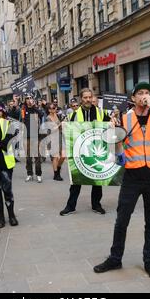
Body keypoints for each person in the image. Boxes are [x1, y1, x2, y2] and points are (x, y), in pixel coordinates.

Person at [93, 82, 150, 280]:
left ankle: (149, 261)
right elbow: (118, 150)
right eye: (140, 93)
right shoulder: (124, 118)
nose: (144, 96)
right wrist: (116, 135)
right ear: (133, 97)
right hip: (132, 176)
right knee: (122, 219)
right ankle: (115, 258)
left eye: (147, 93)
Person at [59, 88, 109, 216]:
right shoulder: (73, 115)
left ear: (92, 98)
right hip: (79, 151)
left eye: (89, 97)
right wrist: (62, 126)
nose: (87, 100)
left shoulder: (101, 113)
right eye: (85, 97)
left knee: (97, 181)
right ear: (81, 98)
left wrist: (113, 122)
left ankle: (96, 205)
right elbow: (65, 129)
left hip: (97, 150)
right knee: (76, 181)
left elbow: (111, 126)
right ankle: (71, 206)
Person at [20, 93, 44, 183]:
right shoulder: (23, 110)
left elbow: (42, 114)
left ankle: (38, 174)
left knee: (37, 156)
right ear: (25, 100)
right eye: (27, 98)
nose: (29, 100)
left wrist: (34, 106)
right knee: (28, 157)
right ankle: (29, 174)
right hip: (26, 136)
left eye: (30, 98)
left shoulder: (36, 109)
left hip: (36, 136)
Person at [43, 103, 66, 181]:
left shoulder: (58, 115)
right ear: (49, 110)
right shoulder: (47, 118)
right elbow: (51, 129)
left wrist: (63, 125)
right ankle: (56, 174)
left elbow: (61, 127)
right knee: (55, 157)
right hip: (52, 138)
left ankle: (58, 169)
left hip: (60, 136)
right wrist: (59, 125)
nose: (55, 109)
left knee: (63, 156)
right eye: (53, 108)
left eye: (55, 108)